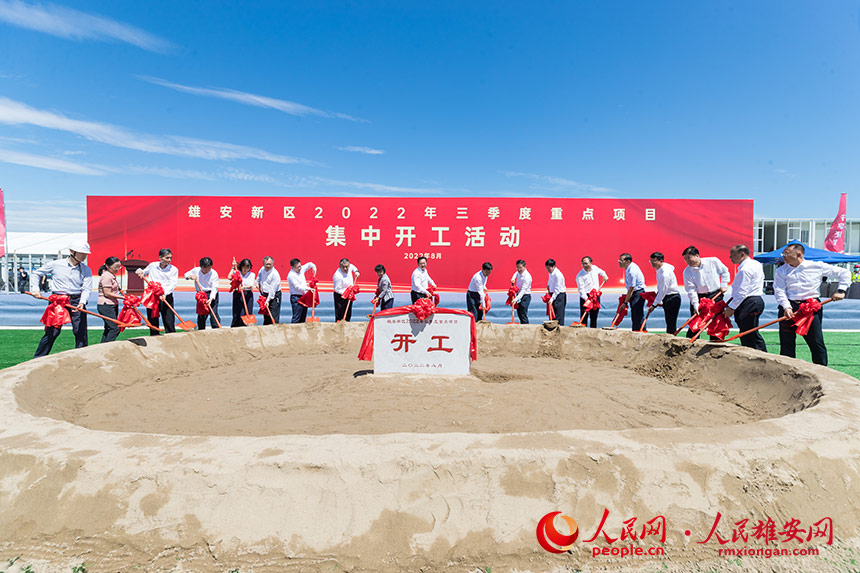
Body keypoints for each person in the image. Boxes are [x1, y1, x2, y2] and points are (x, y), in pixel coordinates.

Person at [774, 243, 850, 366]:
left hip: (811, 307)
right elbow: (779, 290)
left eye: (786, 253)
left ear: (798, 254)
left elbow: (844, 273)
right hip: (788, 306)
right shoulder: (781, 270)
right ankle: (787, 370)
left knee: (816, 341)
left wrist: (841, 290)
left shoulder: (816, 266)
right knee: (786, 342)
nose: (783, 256)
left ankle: (822, 370)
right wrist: (786, 306)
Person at [30, 241, 93, 357]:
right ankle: (38, 359)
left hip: (76, 301)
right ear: (72, 252)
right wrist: (36, 289)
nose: (84, 256)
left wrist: (82, 302)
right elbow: (36, 274)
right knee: (52, 332)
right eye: (82, 253)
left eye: (85, 254)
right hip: (57, 302)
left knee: (80, 332)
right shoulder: (56, 264)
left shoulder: (86, 270)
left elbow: (86, 288)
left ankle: (82, 358)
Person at [722, 245, 766, 352]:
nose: (730, 258)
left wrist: (731, 308)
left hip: (749, 302)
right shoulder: (755, 264)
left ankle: (758, 355)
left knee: (748, 333)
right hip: (755, 301)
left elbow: (742, 292)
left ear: (742, 254)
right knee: (750, 332)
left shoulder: (745, 269)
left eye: (732, 255)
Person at [682, 246, 730, 340]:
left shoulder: (713, 261)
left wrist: (724, 284)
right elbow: (691, 290)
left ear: (697, 255)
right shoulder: (687, 272)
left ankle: (715, 342)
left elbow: (724, 272)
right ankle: (690, 342)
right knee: (695, 320)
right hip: (699, 297)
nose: (687, 261)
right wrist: (696, 304)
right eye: (685, 259)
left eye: (689, 258)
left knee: (715, 320)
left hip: (715, 294)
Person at [136, 249, 178, 335]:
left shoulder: (173, 269)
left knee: (169, 319)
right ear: (160, 258)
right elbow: (144, 272)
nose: (169, 260)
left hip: (165, 296)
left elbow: (172, 284)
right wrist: (139, 271)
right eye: (167, 258)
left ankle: (171, 336)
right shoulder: (153, 266)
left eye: (170, 258)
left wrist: (164, 293)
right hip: (152, 296)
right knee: (152, 319)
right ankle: (154, 336)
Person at [648, 252, 682, 334]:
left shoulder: (665, 274)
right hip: (667, 297)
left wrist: (654, 305)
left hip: (672, 298)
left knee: (671, 321)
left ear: (661, 261)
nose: (652, 263)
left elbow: (663, 290)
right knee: (669, 321)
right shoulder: (662, 268)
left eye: (654, 261)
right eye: (651, 261)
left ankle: (671, 337)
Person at [185, 257, 220, 330]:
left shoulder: (214, 273)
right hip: (201, 294)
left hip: (211, 293)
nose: (206, 270)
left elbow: (214, 288)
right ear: (201, 266)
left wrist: (211, 298)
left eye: (209, 268)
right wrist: (190, 277)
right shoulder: (196, 270)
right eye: (205, 268)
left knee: (213, 313)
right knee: (202, 314)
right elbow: (186, 275)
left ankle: (216, 329)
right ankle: (201, 330)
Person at [576, 256, 609, 328]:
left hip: (595, 295)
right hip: (586, 296)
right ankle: (583, 331)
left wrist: (605, 276)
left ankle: (593, 330)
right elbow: (581, 290)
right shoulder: (580, 275)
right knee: (584, 315)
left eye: (586, 263)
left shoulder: (595, 268)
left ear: (591, 263)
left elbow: (602, 272)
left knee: (594, 316)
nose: (585, 265)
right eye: (583, 264)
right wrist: (587, 300)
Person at [97, 256, 123, 343]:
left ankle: (102, 346)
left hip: (112, 304)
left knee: (108, 328)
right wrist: (122, 297)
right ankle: (107, 346)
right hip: (106, 305)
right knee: (114, 328)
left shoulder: (111, 275)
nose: (117, 269)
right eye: (115, 267)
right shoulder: (106, 277)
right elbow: (107, 293)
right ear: (107, 266)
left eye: (119, 267)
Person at [619, 253, 646, 331]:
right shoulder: (628, 268)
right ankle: (638, 331)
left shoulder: (632, 271)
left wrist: (625, 302)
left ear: (627, 261)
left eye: (621, 260)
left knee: (637, 316)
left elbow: (631, 289)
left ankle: (639, 332)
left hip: (637, 293)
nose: (619, 262)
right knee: (635, 315)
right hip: (634, 292)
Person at [288, 258, 318, 323]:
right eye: (297, 267)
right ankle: (294, 329)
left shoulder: (301, 269)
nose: (299, 268)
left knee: (303, 317)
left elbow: (309, 264)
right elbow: (298, 287)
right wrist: (308, 289)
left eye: (300, 266)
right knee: (297, 317)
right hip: (296, 297)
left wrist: (314, 267)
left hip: (304, 296)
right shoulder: (291, 275)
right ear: (292, 267)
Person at [229, 258, 255, 327]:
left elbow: (250, 285)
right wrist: (232, 268)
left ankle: (246, 326)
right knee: (237, 312)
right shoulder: (237, 273)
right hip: (238, 294)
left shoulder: (252, 274)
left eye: (247, 267)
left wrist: (243, 288)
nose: (245, 269)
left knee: (247, 312)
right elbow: (229, 277)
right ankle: (236, 326)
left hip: (247, 294)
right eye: (244, 267)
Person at [256, 256, 282, 325]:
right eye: (266, 264)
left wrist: (267, 300)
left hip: (274, 295)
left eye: (269, 264)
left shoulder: (275, 274)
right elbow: (259, 276)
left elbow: (272, 290)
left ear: (273, 264)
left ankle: (274, 328)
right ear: (263, 264)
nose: (268, 266)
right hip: (265, 293)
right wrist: (257, 283)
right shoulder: (262, 269)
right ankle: (266, 328)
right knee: (266, 315)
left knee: (273, 314)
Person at [545, 258, 566, 324]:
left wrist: (552, 299)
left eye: (549, 268)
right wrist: (548, 285)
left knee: (558, 314)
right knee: (553, 313)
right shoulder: (551, 273)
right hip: (553, 294)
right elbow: (550, 280)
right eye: (547, 268)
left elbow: (557, 289)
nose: (548, 270)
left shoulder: (558, 274)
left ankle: (560, 327)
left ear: (553, 266)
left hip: (559, 295)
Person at [511, 259, 532, 324]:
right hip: (519, 295)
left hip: (525, 296)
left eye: (520, 268)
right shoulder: (519, 272)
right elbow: (516, 273)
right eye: (517, 267)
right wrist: (513, 278)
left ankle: (526, 327)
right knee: (519, 313)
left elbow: (523, 290)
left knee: (523, 313)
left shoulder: (527, 277)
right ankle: (522, 326)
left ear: (524, 267)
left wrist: (516, 299)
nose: (519, 269)